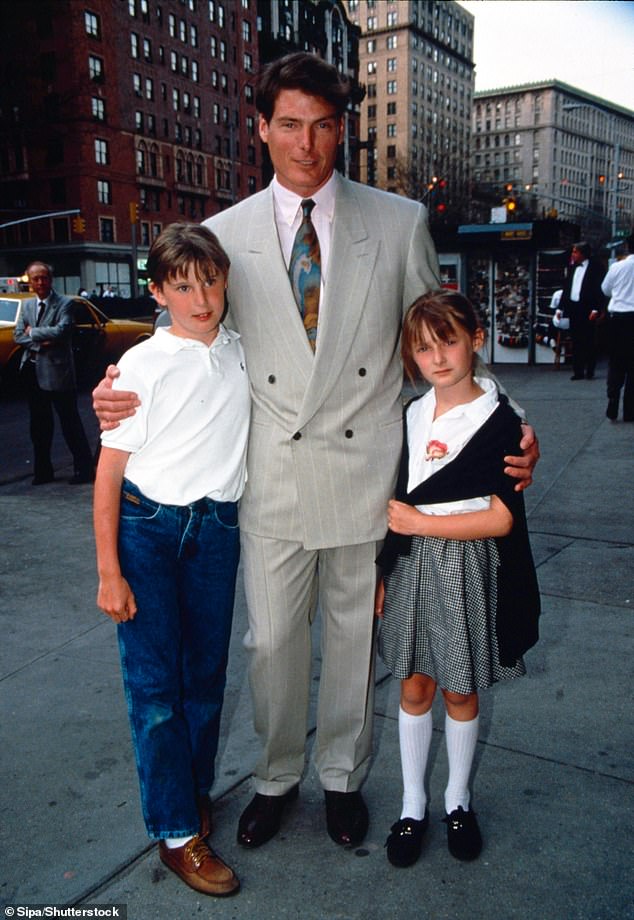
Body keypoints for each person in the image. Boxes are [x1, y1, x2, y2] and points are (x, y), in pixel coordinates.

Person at [92, 52, 539, 852]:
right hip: (269, 477)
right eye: (289, 125)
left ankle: (341, 776)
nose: (307, 144)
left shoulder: (398, 222)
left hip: (368, 475)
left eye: (324, 125)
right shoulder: (224, 234)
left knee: (352, 639)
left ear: (344, 129)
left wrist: (505, 424)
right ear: (262, 128)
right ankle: (274, 774)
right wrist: (119, 381)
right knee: (270, 645)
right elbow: (192, 333)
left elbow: (444, 339)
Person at [93, 223, 249, 897]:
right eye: (182, 286)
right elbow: (107, 475)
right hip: (148, 531)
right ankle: (177, 835)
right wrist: (109, 571)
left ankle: (191, 792)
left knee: (206, 680)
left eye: (210, 281)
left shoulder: (243, 351)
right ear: (157, 292)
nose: (200, 298)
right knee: (156, 691)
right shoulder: (140, 366)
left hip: (217, 529)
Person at [376, 290, 540, 867]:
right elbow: (396, 489)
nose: (438, 358)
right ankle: (412, 804)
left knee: (460, 688)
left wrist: (422, 521)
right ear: (412, 358)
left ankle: (457, 800)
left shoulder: (500, 421)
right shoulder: (411, 413)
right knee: (414, 684)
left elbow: (501, 517)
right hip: (408, 566)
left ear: (476, 339)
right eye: (423, 348)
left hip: (465, 563)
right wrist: (384, 567)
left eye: (449, 341)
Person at [13, 261, 94, 485]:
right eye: (35, 279)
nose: (40, 282)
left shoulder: (65, 303)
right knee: (39, 426)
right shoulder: (27, 306)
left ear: (51, 279)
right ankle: (43, 472)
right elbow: (18, 335)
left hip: (58, 372)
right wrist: (42, 342)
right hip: (32, 370)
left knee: (69, 422)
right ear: (29, 282)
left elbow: (62, 331)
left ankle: (84, 470)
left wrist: (34, 333)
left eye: (44, 278)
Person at [558, 242, 607, 380]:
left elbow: (600, 289)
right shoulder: (573, 267)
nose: (573, 255)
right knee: (576, 340)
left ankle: (590, 370)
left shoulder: (596, 267)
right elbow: (567, 287)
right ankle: (578, 370)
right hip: (574, 307)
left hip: (588, 308)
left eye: (575, 252)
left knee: (589, 340)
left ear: (583, 253)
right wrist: (561, 307)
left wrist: (596, 308)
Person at [601, 234, 634, 421]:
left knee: (616, 362)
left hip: (618, 319)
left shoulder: (617, 267)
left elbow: (605, 289)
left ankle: (613, 399)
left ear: (628, 246)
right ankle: (630, 409)